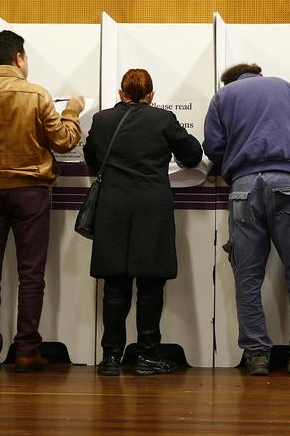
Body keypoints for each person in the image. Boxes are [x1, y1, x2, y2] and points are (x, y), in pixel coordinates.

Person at [0, 30, 83, 373]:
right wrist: (73, 111)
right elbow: (62, 141)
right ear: (18, 58)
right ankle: (27, 349)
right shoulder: (37, 94)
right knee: (31, 274)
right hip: (31, 192)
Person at [203, 63, 290, 376]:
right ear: (257, 73)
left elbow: (213, 147)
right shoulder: (286, 87)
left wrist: (236, 164)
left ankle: (256, 355)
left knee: (247, 276)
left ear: (231, 79)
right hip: (289, 183)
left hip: (244, 187)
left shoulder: (223, 96)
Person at [84, 69, 202, 376]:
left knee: (114, 285)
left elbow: (92, 158)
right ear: (151, 95)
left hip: (112, 209)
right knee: (150, 285)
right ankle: (148, 356)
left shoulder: (102, 120)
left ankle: (110, 358)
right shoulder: (162, 120)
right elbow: (192, 154)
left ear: (120, 93)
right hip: (152, 208)